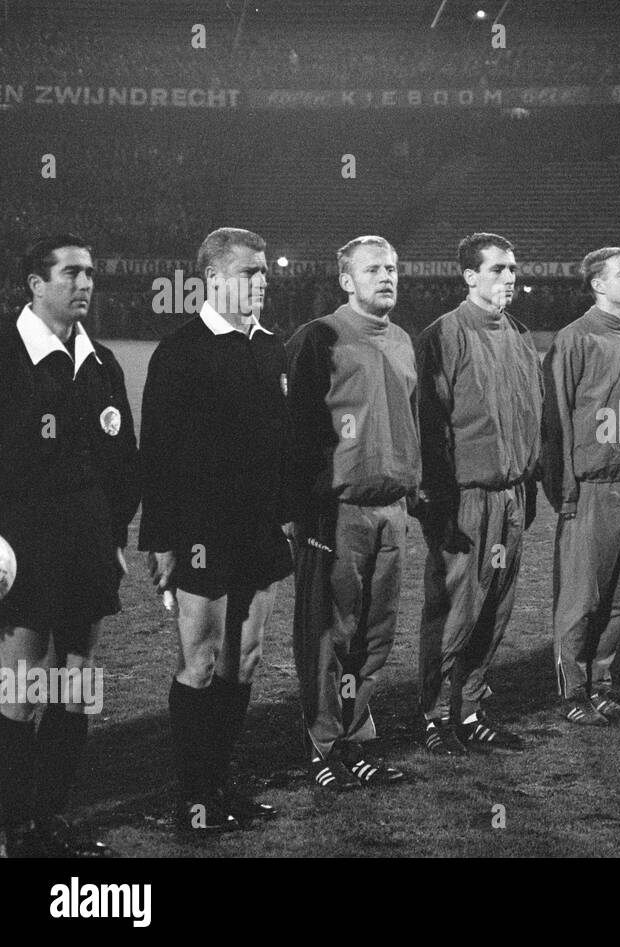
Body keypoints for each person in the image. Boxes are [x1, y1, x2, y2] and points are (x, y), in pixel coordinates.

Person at [139, 227, 291, 834]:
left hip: (258, 528)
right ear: (212, 277)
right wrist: (162, 542)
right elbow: (159, 455)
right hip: (202, 528)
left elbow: (280, 445)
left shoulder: (270, 347)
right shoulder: (179, 351)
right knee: (200, 660)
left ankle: (224, 783)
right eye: (251, 272)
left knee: (245, 659)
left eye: (264, 274)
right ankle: (195, 799)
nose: (262, 283)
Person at [0, 233, 138, 857]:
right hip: (20, 547)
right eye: (73, 273)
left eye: (91, 273)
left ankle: (49, 818)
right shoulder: (5, 353)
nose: (86, 283)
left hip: (86, 545)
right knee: (22, 690)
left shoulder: (102, 362)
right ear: (36, 283)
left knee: (76, 684)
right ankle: (9, 822)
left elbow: (122, 463)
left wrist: (113, 535)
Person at [285, 235, 420, 789]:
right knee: (329, 634)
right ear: (346, 280)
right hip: (336, 513)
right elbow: (294, 433)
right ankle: (321, 743)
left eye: (391, 268)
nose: (386, 277)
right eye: (372, 270)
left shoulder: (405, 340)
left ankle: (357, 735)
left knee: (375, 634)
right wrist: (303, 514)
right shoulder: (319, 337)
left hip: (393, 509)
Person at [415, 233, 542, 754]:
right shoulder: (444, 334)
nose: (509, 278)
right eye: (497, 269)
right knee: (453, 612)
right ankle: (432, 717)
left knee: (495, 611)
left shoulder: (519, 333)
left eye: (513, 269)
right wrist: (439, 505)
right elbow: (431, 425)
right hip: (466, 498)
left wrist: (528, 485)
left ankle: (469, 710)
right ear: (470, 276)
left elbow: (532, 416)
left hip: (511, 497)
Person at [542, 247, 620, 725]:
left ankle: (601, 683)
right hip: (593, 488)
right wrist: (566, 493)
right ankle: (573, 692)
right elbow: (558, 425)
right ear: (597, 283)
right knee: (582, 599)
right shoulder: (574, 339)